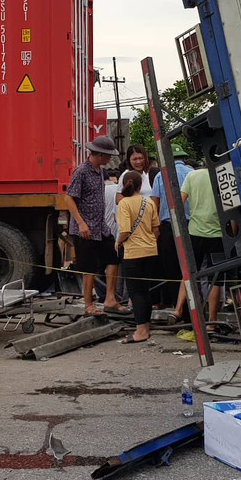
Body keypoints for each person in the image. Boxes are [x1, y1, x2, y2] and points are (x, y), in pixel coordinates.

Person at [64, 135, 119, 316]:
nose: (110, 159)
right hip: (85, 228)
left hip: (100, 226)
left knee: (113, 258)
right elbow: (68, 198)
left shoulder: (99, 171)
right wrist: (81, 223)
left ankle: (110, 298)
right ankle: (88, 305)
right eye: (108, 156)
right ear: (101, 155)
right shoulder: (81, 171)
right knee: (88, 266)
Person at [174, 166, 227, 323]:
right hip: (218, 234)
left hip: (194, 232)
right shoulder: (223, 175)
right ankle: (211, 320)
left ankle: (177, 309)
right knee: (215, 278)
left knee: (188, 272)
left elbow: (180, 201)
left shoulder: (192, 175)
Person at [114, 171, 160, 344]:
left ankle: (140, 330)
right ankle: (145, 327)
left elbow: (124, 230)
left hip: (133, 252)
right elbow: (156, 229)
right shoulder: (148, 202)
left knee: (135, 292)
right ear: (141, 185)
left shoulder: (124, 203)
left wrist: (117, 242)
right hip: (150, 251)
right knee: (145, 290)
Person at [151, 146, 194, 309]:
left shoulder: (160, 175)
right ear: (183, 158)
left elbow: (155, 202)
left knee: (170, 265)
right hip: (190, 224)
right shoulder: (191, 173)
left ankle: (174, 302)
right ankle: (190, 303)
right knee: (189, 265)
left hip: (168, 226)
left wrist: (156, 227)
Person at [95, 168, 127, 314]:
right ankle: (119, 296)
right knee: (118, 266)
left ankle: (104, 296)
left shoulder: (98, 191)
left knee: (100, 268)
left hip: (103, 234)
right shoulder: (118, 191)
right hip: (119, 233)